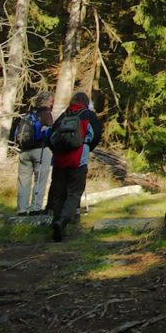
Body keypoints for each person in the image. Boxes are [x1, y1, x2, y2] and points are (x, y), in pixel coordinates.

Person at [45, 91, 103, 242]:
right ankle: (62, 221)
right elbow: (96, 135)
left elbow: (50, 137)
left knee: (59, 193)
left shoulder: (64, 115)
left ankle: (56, 222)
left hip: (59, 160)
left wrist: (57, 151)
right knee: (74, 193)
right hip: (78, 160)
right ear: (86, 102)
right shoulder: (88, 116)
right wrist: (86, 148)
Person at [12, 94, 54, 215]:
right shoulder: (46, 114)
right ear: (46, 102)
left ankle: (21, 209)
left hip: (24, 150)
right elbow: (50, 132)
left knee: (23, 181)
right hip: (40, 150)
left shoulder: (28, 114)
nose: (52, 103)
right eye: (51, 101)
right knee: (40, 179)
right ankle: (35, 208)